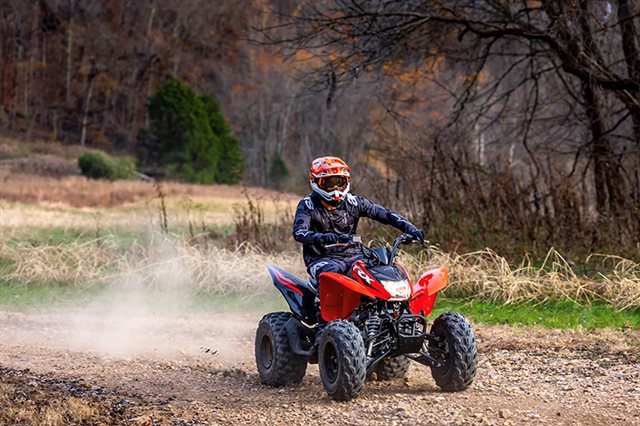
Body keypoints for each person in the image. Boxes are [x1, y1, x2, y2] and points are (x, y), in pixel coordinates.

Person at [293, 156, 424, 288]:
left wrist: (411, 229)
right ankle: (324, 306)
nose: (335, 188)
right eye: (329, 183)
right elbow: (299, 232)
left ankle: (396, 304)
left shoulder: (354, 202)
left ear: (347, 181)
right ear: (315, 182)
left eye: (340, 182)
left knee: (385, 266)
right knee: (332, 274)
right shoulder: (308, 205)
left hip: (355, 256)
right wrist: (324, 238)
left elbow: (387, 215)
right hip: (322, 259)